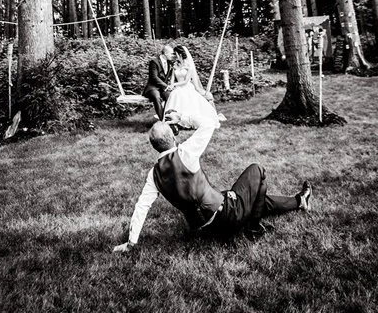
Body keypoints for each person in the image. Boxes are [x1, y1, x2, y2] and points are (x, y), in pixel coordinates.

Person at [113, 111, 312, 252]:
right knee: (257, 170)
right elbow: (208, 123)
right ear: (174, 135)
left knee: (256, 198)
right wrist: (181, 118)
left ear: (154, 146)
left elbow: (141, 207)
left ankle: (299, 201)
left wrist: (131, 242)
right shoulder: (186, 153)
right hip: (227, 216)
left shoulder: (153, 175)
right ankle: (253, 229)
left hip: (204, 229)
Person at [165, 45, 223, 129]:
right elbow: (172, 79)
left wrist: (174, 85)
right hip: (178, 88)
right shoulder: (175, 65)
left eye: (176, 53)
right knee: (175, 94)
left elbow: (185, 82)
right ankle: (176, 121)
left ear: (180, 54)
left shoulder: (189, 66)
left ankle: (188, 121)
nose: (174, 55)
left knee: (183, 97)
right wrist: (171, 85)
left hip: (186, 87)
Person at [142, 44, 175, 120]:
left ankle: (169, 118)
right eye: (171, 53)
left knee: (170, 96)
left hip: (163, 89)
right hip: (153, 87)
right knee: (157, 98)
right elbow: (154, 77)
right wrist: (166, 86)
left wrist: (171, 86)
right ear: (165, 53)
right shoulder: (154, 62)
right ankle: (162, 120)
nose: (173, 55)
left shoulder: (170, 63)